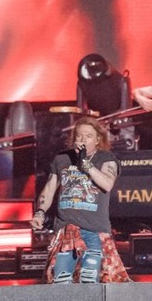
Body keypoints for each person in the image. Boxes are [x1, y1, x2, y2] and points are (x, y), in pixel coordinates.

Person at [32, 117, 127, 282]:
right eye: (79, 136)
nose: (82, 140)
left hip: (94, 230)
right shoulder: (62, 159)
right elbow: (49, 189)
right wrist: (40, 213)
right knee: (61, 278)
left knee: (90, 277)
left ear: (98, 139)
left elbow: (107, 184)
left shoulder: (106, 159)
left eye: (88, 136)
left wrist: (86, 164)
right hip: (66, 229)